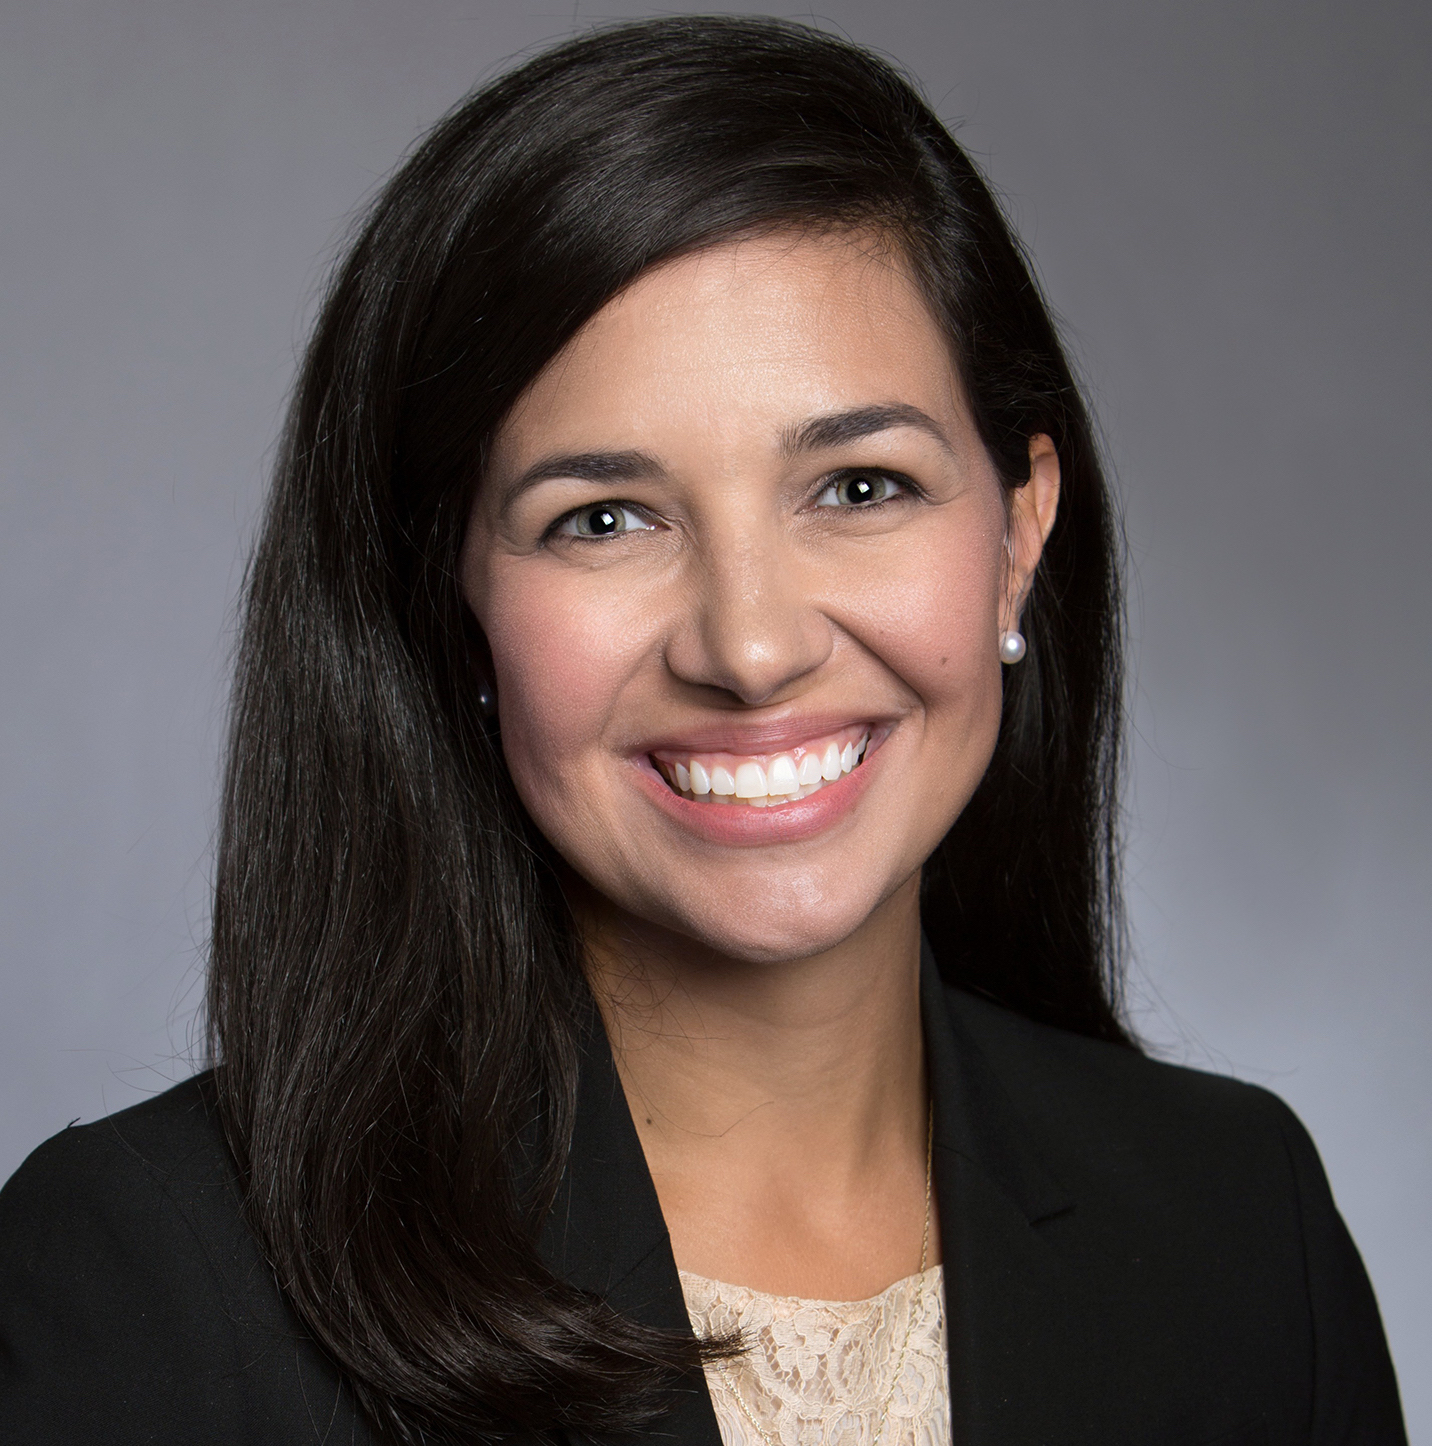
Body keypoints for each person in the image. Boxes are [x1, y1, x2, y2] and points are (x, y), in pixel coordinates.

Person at [0, 16, 1405, 1446]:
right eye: (602, 518)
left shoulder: (1240, 1225)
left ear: (1020, 535)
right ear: (452, 600)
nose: (750, 645)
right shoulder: (156, 1277)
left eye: (859, 488)